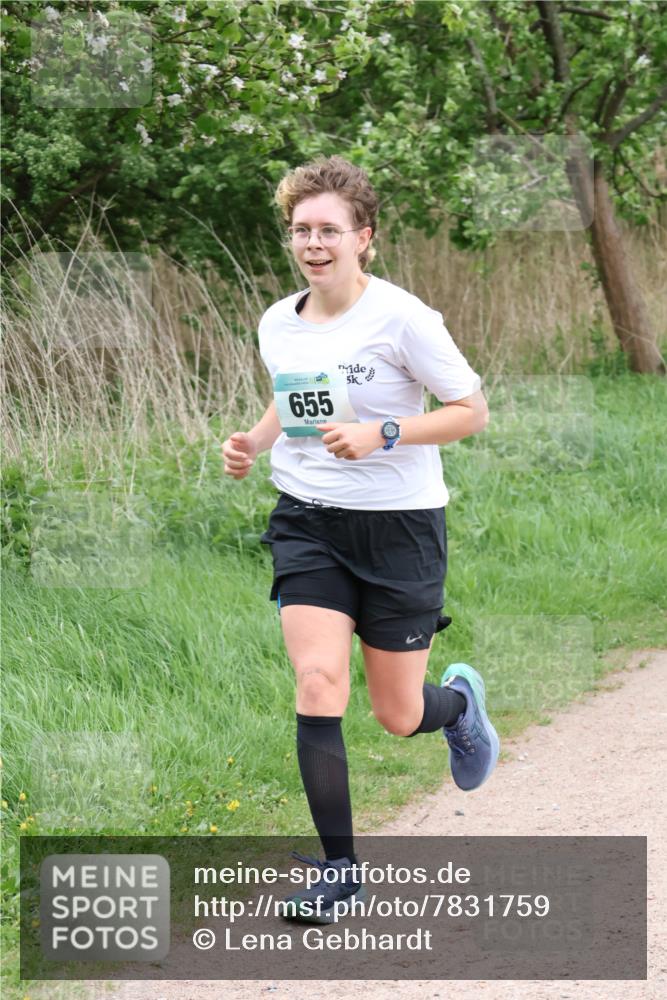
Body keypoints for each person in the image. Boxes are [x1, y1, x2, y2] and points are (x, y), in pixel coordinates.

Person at [221, 155, 499, 925]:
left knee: (396, 714)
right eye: (301, 230)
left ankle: (459, 708)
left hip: (399, 530)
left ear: (363, 237)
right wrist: (251, 439)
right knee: (317, 682)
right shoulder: (278, 320)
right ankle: (341, 873)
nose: (313, 243)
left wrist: (385, 431)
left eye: (329, 230)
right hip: (306, 517)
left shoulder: (403, 318)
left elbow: (469, 411)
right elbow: (292, 400)